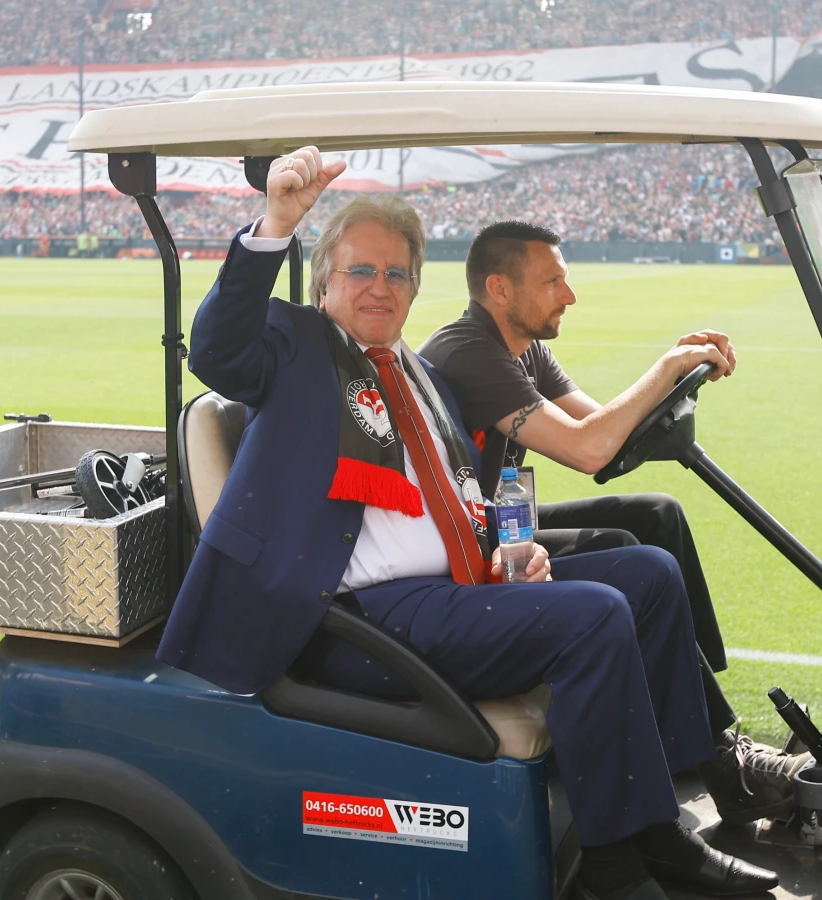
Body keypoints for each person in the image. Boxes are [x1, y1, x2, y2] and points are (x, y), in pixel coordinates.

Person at [157, 146, 778, 900]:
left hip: (448, 592)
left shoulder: (417, 375)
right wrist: (277, 221)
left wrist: (511, 555)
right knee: (595, 617)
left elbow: (463, 497)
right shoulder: (296, 348)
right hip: (358, 621)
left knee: (647, 572)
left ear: (416, 289)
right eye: (361, 271)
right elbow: (219, 349)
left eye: (397, 275)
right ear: (324, 282)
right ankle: (623, 862)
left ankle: (684, 790)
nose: (379, 288)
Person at [419, 221, 800, 827]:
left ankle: (699, 725)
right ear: (499, 289)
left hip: (498, 520)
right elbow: (588, 449)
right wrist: (667, 366)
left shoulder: (524, 350)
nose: (568, 296)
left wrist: (672, 383)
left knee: (656, 514)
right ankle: (724, 759)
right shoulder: (468, 353)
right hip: (475, 545)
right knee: (628, 547)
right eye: (552, 282)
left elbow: (607, 431)